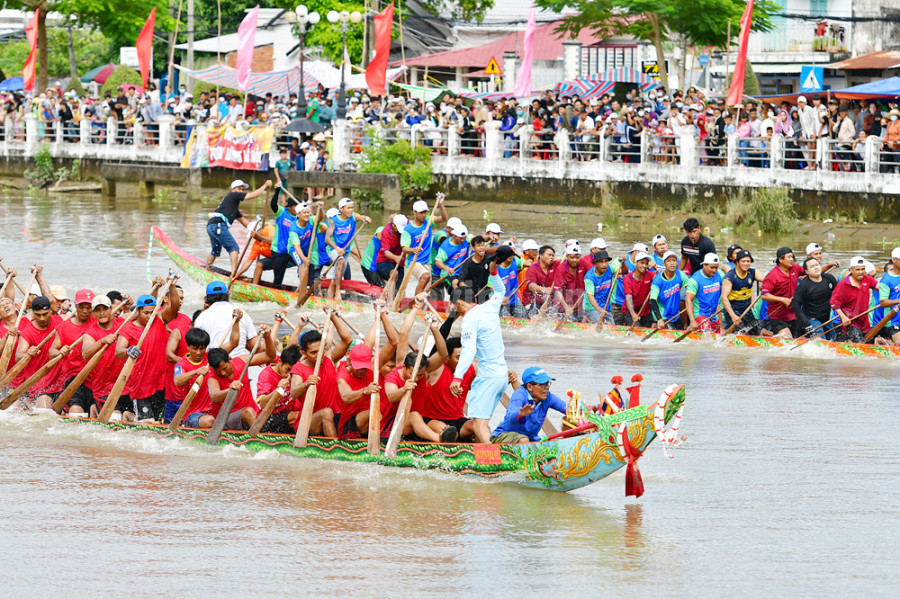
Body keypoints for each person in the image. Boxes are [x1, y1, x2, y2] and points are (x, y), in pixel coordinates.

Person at [450, 247, 511, 444]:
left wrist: (457, 378)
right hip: (502, 375)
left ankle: (491, 465)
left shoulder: (469, 320)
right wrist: (493, 272)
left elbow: (468, 351)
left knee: (479, 424)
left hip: (487, 377)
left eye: (454, 307)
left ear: (459, 303)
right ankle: (490, 455)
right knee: (482, 422)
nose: (455, 312)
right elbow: (500, 290)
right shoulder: (490, 307)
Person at [288, 311, 355, 438]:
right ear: (303, 352)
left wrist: (334, 317)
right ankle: (335, 451)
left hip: (336, 415)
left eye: (321, 350)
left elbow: (347, 340)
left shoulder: (329, 358)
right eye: (313, 352)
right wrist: (306, 384)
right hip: (309, 421)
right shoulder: (298, 368)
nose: (319, 355)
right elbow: (294, 392)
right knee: (326, 413)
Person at [206, 325, 276, 431]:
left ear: (230, 359)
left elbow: (270, 357)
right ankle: (262, 441)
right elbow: (214, 396)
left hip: (252, 412)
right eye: (219, 371)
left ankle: (261, 435)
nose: (223, 373)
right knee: (247, 412)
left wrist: (267, 337)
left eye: (225, 368)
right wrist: (230, 389)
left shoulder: (241, 361)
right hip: (226, 418)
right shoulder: (212, 377)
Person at [115, 294, 169, 421]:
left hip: (158, 382)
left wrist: (171, 286)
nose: (149, 316)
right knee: (147, 422)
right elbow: (118, 351)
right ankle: (131, 415)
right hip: (139, 384)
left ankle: (130, 416)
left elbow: (175, 306)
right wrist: (128, 350)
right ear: (138, 310)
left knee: (156, 420)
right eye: (146, 313)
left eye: (152, 312)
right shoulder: (128, 328)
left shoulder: (159, 320)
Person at [206, 179, 273, 274]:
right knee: (234, 248)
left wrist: (258, 228)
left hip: (212, 226)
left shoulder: (232, 207)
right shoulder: (232, 195)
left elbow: (247, 224)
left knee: (216, 251)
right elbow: (254, 195)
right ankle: (233, 274)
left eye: (242, 189)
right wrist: (265, 185)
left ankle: (207, 267)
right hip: (218, 226)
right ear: (232, 189)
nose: (241, 191)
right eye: (239, 189)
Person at [80, 294, 128, 419]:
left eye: (104, 309)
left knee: (131, 418)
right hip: (103, 387)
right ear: (93, 313)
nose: (101, 313)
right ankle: (95, 406)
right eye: (97, 310)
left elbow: (145, 315)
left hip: (125, 384)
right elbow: (85, 353)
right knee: (114, 419)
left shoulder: (123, 324)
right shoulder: (90, 332)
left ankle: (94, 408)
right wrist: (102, 341)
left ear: (111, 309)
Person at [490, 367, 566, 444]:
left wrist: (576, 410)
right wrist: (520, 415)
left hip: (531, 439)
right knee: (524, 440)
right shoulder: (519, 395)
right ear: (529, 387)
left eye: (547, 384)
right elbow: (511, 417)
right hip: (503, 436)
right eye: (542, 385)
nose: (547, 388)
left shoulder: (548, 397)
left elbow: (567, 408)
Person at [13, 296, 63, 409]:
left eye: (45, 314)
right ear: (32, 313)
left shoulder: (59, 321)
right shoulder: (27, 332)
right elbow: (18, 356)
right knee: (44, 410)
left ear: (51, 311)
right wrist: (28, 353)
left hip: (61, 381)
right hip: (39, 384)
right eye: (38, 315)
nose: (42, 318)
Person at [194, 281, 260, 358]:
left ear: (206, 299)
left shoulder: (201, 318)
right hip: (240, 363)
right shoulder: (242, 313)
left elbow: (196, 348)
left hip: (215, 364)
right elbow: (255, 347)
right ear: (227, 296)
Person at [400, 196, 448, 296]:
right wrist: (413, 249)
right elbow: (404, 248)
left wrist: (440, 204)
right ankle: (415, 302)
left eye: (425, 212)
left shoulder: (428, 221)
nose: (423, 215)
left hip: (427, 261)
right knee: (425, 276)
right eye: (421, 212)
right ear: (414, 212)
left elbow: (444, 218)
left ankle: (420, 309)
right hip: (413, 261)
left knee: (426, 292)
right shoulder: (408, 230)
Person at [830, 256, 879, 343]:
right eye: (857, 269)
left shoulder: (867, 279)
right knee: (860, 344)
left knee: (869, 343)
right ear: (851, 270)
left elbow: (882, 288)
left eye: (863, 269)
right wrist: (843, 317)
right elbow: (834, 302)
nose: (861, 272)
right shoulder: (843, 284)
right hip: (848, 323)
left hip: (864, 322)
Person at [760, 246, 805, 338]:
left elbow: (811, 272)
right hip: (777, 315)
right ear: (780, 259)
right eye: (789, 257)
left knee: (795, 338)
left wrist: (829, 265)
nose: (791, 259)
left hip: (793, 313)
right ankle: (767, 333)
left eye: (792, 257)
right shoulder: (772, 275)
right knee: (787, 339)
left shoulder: (796, 269)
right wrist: (782, 300)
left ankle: (767, 333)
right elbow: (764, 296)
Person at [720, 249, 765, 333]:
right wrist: (733, 316)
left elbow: (767, 280)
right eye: (743, 261)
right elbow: (724, 298)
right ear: (737, 262)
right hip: (733, 309)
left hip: (746, 308)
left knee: (755, 333)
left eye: (748, 261)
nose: (746, 264)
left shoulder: (753, 272)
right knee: (740, 334)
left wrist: (766, 286)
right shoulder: (730, 276)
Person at [792, 257, 838, 340]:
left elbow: (839, 294)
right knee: (821, 342)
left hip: (827, 318)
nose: (816, 267)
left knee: (833, 340)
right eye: (812, 266)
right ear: (806, 272)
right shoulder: (804, 286)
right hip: (812, 320)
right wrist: (806, 323)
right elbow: (795, 305)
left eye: (817, 265)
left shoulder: (829, 278)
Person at [684, 253, 723, 333]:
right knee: (707, 331)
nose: (714, 270)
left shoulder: (720, 274)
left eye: (716, 267)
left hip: (714, 314)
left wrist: (722, 326)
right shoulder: (694, 280)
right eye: (711, 267)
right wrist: (692, 321)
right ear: (704, 265)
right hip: (700, 314)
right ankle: (691, 327)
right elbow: (688, 300)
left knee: (719, 335)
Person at [650, 250, 688, 329]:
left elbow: (691, 291)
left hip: (675, 315)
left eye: (674, 260)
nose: (672, 263)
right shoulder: (657, 280)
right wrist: (659, 319)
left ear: (677, 263)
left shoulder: (681, 275)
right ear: (664, 264)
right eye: (669, 261)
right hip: (662, 315)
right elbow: (653, 300)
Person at [554, 240, 588, 321]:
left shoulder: (583, 263)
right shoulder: (560, 269)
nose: (575, 260)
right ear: (567, 257)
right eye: (572, 258)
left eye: (577, 257)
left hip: (581, 305)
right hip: (565, 305)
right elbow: (558, 291)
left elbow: (594, 272)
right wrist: (566, 307)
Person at [582, 249, 617, 324]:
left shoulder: (610, 268)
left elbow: (624, 271)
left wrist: (623, 263)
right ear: (596, 263)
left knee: (612, 327)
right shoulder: (589, 277)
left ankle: (589, 320)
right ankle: (588, 318)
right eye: (601, 262)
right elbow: (590, 296)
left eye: (606, 261)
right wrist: (599, 310)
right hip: (592, 307)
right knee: (603, 326)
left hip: (605, 305)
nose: (604, 264)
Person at [622, 251, 656, 327]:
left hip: (645, 310)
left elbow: (660, 279)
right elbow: (628, 298)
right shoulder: (627, 278)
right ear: (636, 263)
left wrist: (656, 269)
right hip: (629, 311)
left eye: (646, 264)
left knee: (654, 327)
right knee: (637, 330)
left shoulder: (650, 275)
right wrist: (633, 314)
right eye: (642, 263)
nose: (644, 265)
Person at [375, 214, 409, 287]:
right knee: (394, 274)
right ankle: (389, 297)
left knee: (399, 286)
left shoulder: (405, 222)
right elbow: (386, 252)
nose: (401, 232)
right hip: (385, 260)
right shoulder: (386, 232)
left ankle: (395, 296)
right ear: (393, 225)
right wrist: (396, 258)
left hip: (400, 261)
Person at [524, 245, 558, 315]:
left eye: (552, 255)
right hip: (533, 302)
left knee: (556, 316)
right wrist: (544, 290)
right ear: (541, 255)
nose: (551, 257)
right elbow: (532, 286)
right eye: (549, 255)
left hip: (549, 302)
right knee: (535, 318)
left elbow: (566, 263)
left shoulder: (556, 264)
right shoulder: (532, 269)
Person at [456, 235, 490, 304]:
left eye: (483, 245)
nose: (481, 248)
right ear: (473, 248)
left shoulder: (489, 260)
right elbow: (460, 281)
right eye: (478, 246)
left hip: (484, 294)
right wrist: (468, 293)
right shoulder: (468, 263)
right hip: (471, 296)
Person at [878, 247, 900, 345]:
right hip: (893, 320)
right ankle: (880, 340)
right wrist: (898, 301)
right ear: (893, 260)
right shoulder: (886, 280)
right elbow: (883, 302)